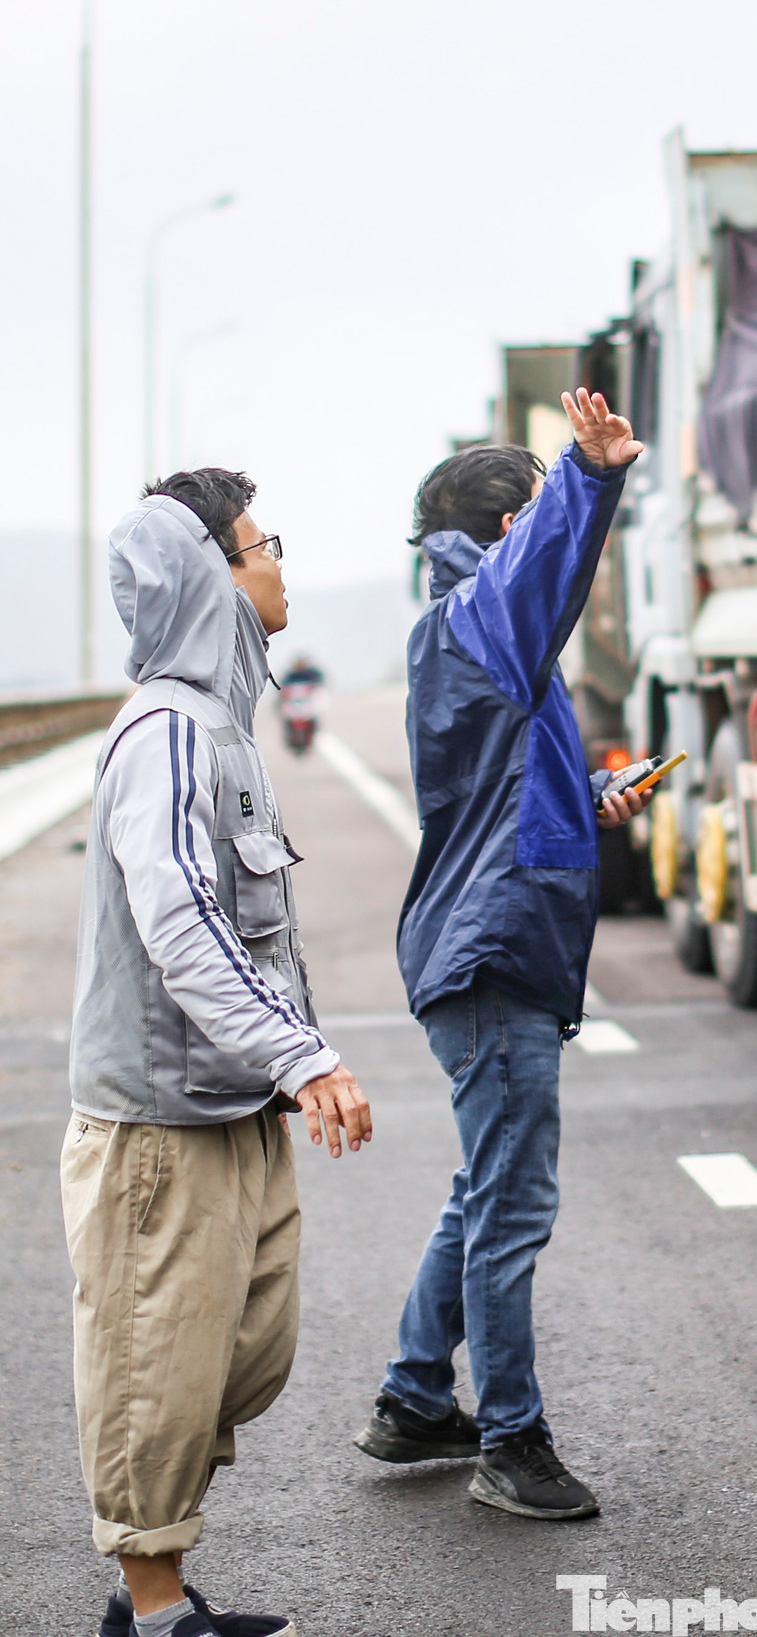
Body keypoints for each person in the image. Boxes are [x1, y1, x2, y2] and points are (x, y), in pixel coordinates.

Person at [64, 469, 372, 1637]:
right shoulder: (171, 735)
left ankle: (159, 1592)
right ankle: (152, 1614)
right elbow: (183, 921)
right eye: (261, 544)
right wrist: (303, 1056)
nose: (278, 564)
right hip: (158, 1124)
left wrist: (276, 1067)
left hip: (225, 1105)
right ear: (211, 573)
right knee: (156, 1362)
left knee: (234, 1356)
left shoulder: (221, 726)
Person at [353, 388, 643, 1520]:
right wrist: (590, 473)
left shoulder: (464, 625)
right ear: (503, 530)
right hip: (492, 948)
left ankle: (418, 1400)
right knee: (511, 1206)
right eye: (529, 515)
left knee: (484, 1190)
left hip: (480, 939)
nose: (537, 540)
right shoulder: (483, 612)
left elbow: (501, 785)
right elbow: (549, 563)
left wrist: (593, 789)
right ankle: (511, 1443)